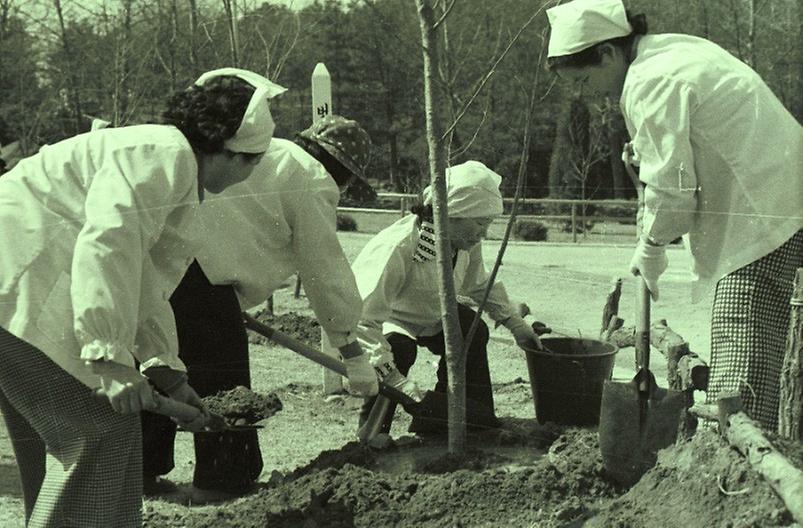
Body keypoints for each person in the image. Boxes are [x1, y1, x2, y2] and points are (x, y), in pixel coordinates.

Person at [0, 67, 283, 527]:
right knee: (101, 432)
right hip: (20, 281)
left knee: (55, 439)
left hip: (19, 285)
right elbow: (108, 243)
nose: (250, 174)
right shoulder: (162, 156)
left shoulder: (169, 160)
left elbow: (143, 277)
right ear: (228, 151)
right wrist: (109, 358)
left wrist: (164, 368)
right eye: (253, 160)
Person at [546, 0, 803, 431]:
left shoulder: (649, 83)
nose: (586, 92)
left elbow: (673, 192)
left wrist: (650, 246)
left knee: (741, 338)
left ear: (608, 53)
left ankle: (740, 468)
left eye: (585, 78)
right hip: (782, 196)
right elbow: (685, 150)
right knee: (771, 344)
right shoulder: (672, 51)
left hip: (764, 215)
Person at [140, 114, 398, 501]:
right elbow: (323, 269)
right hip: (201, 276)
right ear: (343, 171)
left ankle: (139, 471)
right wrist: (351, 349)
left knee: (155, 365)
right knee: (224, 380)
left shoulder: (271, 154)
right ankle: (224, 479)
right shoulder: (311, 177)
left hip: (170, 264)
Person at [352, 160, 543, 435]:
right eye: (480, 223)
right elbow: (362, 318)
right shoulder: (398, 246)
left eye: (487, 224)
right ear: (452, 214)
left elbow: (478, 283)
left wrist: (514, 323)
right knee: (399, 350)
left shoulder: (465, 243)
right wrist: (394, 379)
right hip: (393, 319)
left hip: (435, 314)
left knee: (472, 330)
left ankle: (456, 418)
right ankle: (372, 432)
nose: (484, 233)